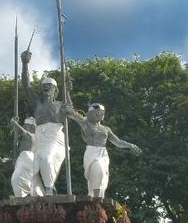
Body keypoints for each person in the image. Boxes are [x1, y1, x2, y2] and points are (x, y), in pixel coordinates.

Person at [64, 103, 141, 198]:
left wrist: (130, 145)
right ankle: (96, 197)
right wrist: (66, 107)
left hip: (103, 154)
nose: (100, 114)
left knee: (101, 173)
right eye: (97, 112)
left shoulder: (106, 129)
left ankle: (97, 197)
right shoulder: (85, 122)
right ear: (90, 113)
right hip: (91, 152)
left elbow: (117, 142)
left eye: (102, 112)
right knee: (97, 170)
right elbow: (72, 113)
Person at [21, 50, 68, 195]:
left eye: (50, 85)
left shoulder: (61, 105)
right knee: (36, 165)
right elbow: (26, 86)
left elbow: (72, 114)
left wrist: (69, 94)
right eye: (44, 85)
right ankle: (45, 190)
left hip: (55, 138)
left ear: (56, 90)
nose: (46, 86)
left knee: (47, 158)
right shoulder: (38, 105)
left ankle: (48, 188)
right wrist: (24, 65)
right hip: (40, 138)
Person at [9, 117, 44, 197]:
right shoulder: (28, 138)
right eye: (24, 126)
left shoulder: (33, 136)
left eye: (26, 126)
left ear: (31, 127)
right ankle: (38, 195)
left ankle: (24, 196)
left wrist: (15, 124)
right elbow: (20, 132)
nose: (25, 127)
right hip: (27, 159)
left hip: (27, 157)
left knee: (16, 178)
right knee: (32, 180)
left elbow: (24, 132)